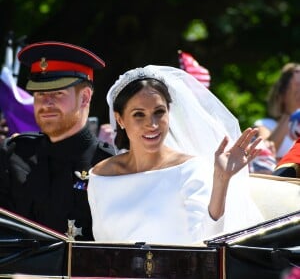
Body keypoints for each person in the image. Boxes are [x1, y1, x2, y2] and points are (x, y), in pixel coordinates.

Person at [88, 65, 264, 245]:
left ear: (168, 112)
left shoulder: (189, 169)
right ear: (120, 119)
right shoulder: (100, 176)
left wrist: (221, 180)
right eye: (139, 115)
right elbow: (101, 243)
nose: (152, 124)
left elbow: (206, 242)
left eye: (159, 112)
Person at [0, 41, 114, 241]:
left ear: (85, 98)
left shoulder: (109, 165)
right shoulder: (12, 154)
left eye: (57, 93)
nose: (46, 103)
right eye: (40, 93)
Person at [254, 63, 300, 162]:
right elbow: (265, 151)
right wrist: (290, 113)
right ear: (282, 94)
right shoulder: (266, 125)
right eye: (296, 86)